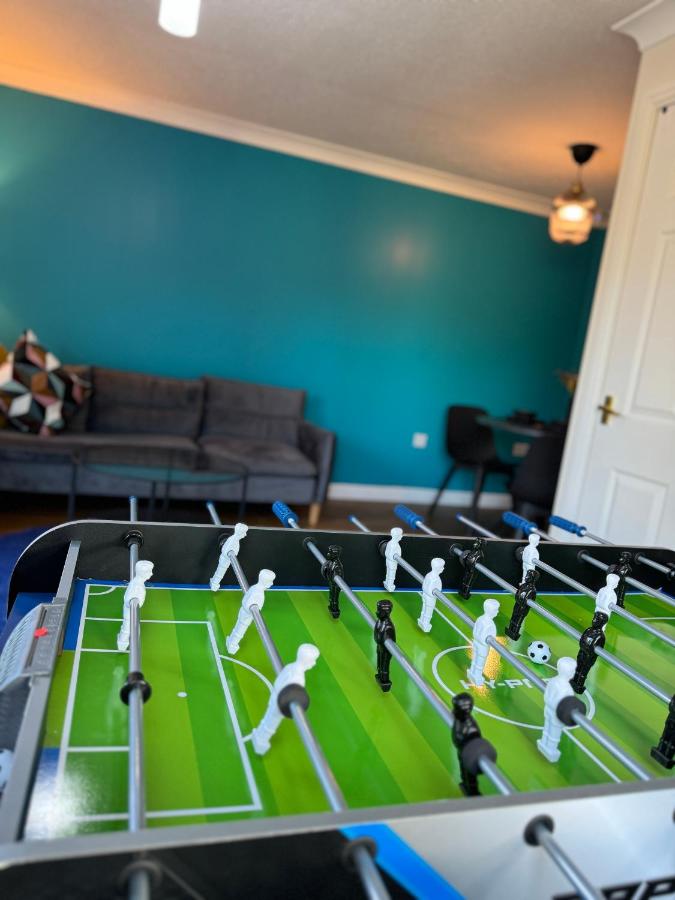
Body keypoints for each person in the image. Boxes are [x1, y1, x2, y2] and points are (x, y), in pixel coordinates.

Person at [251, 644, 320, 755]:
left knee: (268, 719)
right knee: (271, 724)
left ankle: (260, 735)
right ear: (307, 661)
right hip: (279, 703)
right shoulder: (298, 678)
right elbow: (291, 692)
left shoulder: (290, 666)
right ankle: (261, 739)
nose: (314, 663)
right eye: (313, 660)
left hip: (276, 697)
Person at [226, 569, 276, 655]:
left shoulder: (255, 587)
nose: (272, 583)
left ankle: (231, 642)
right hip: (247, 615)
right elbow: (250, 604)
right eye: (270, 581)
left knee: (238, 628)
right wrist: (255, 610)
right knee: (240, 630)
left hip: (244, 612)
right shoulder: (258, 593)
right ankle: (232, 646)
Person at [537, 657, 577, 763]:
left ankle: (544, 743)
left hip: (548, 710)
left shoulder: (553, 680)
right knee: (554, 734)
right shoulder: (567, 689)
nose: (574, 672)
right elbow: (569, 702)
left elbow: (547, 695)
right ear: (569, 673)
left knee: (547, 728)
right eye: (573, 670)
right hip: (557, 714)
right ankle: (550, 749)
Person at [117, 559, 154, 652]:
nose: (151, 574)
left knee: (129, 628)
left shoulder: (137, 582)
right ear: (143, 573)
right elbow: (128, 599)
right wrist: (135, 603)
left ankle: (123, 643)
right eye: (149, 572)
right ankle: (122, 645)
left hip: (132, 612)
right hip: (130, 614)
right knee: (127, 630)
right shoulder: (137, 586)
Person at [466, 599, 500, 686]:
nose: (497, 611)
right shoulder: (490, 624)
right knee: (480, 663)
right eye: (496, 610)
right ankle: (477, 676)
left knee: (475, 659)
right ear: (491, 611)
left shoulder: (480, 618)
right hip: (483, 647)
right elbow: (492, 637)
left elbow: (474, 632)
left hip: (476, 643)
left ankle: (472, 672)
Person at [210, 523, 248, 591]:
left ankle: (214, 583)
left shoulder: (235, 540)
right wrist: (230, 554)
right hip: (225, 560)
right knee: (220, 573)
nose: (245, 534)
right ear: (240, 532)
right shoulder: (232, 540)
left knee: (220, 573)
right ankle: (214, 584)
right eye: (244, 532)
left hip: (227, 560)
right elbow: (225, 551)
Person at [418, 558, 445, 633]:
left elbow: (424, 586)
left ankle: (421, 620)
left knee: (424, 608)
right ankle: (425, 624)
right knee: (428, 612)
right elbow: (438, 590)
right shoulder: (436, 579)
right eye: (442, 567)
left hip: (425, 595)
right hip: (430, 598)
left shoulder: (428, 575)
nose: (443, 568)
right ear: (438, 568)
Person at [374, 599, 395, 691]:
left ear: (386, 612)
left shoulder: (388, 626)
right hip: (380, 646)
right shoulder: (379, 621)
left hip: (386, 650)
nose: (377, 612)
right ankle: (380, 675)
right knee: (379, 664)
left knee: (384, 666)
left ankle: (385, 682)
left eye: (379, 611)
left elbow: (392, 643)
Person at [383, 528, 403, 592]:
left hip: (390, 562)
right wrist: (395, 557)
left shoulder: (390, 543)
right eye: (400, 535)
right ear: (397, 536)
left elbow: (387, 553)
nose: (402, 536)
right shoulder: (394, 545)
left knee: (389, 573)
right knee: (391, 574)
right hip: (392, 563)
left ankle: (388, 583)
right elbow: (389, 554)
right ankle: (389, 585)